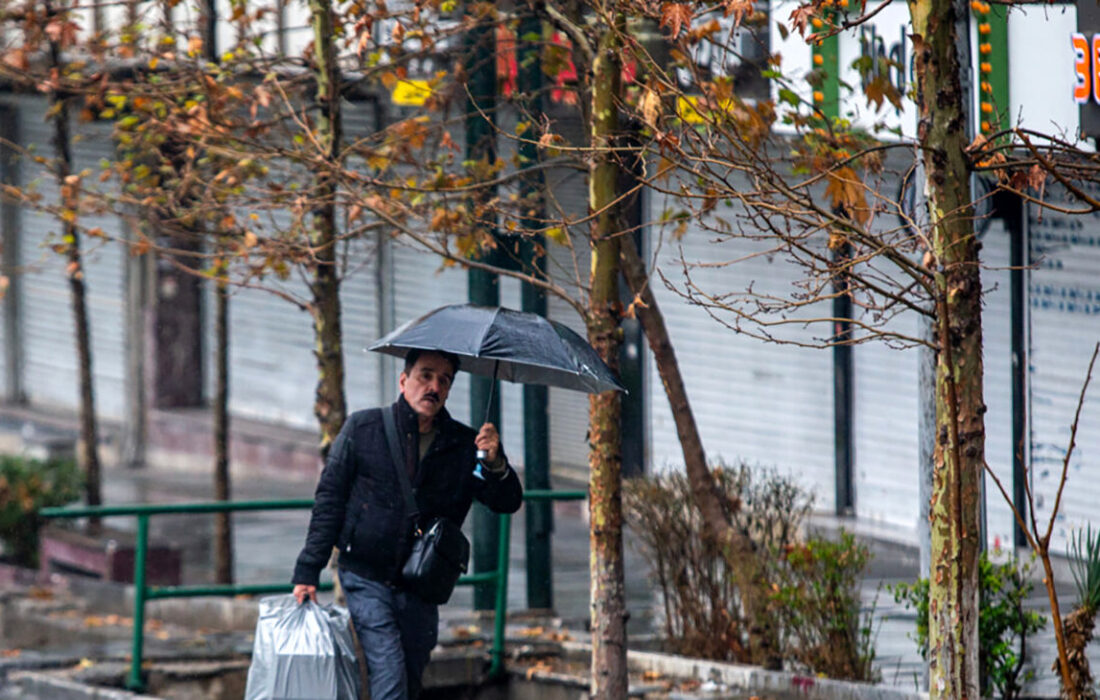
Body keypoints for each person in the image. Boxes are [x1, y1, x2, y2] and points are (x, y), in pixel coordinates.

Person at [291, 349, 523, 700]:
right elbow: (329, 500)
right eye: (425, 376)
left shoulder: (465, 446)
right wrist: (308, 570)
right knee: (391, 674)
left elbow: (506, 502)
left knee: (410, 680)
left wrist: (495, 464)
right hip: (366, 575)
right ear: (403, 381)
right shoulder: (364, 428)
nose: (433, 387)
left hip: (422, 586)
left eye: (443, 381)